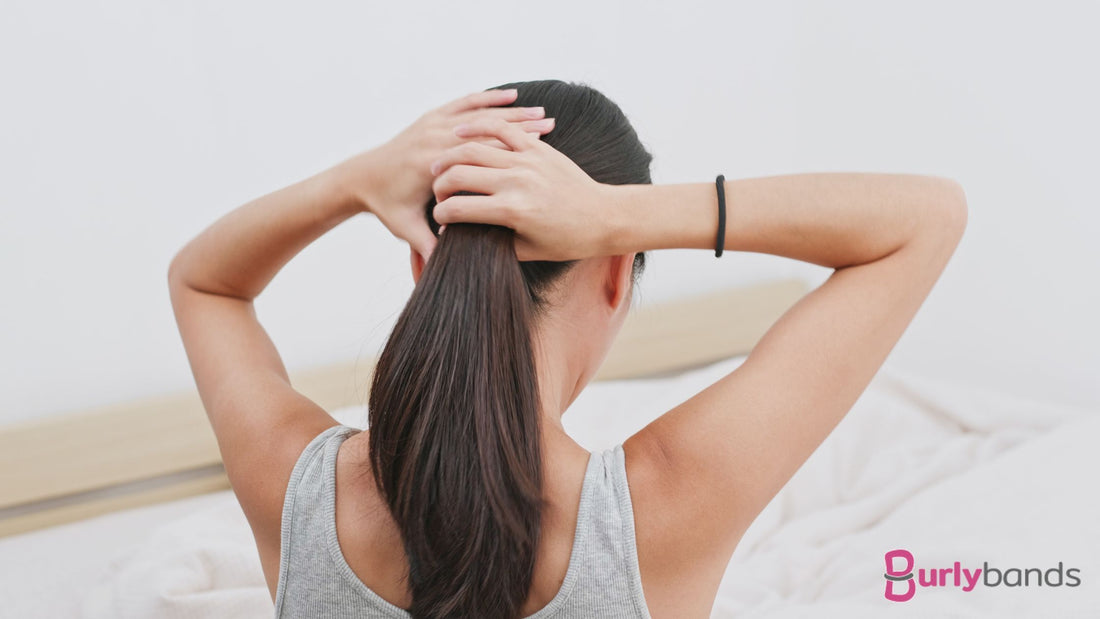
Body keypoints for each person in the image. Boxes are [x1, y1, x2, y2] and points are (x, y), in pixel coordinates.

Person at [168, 79, 967, 618]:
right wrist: (627, 214)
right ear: (618, 275)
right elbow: (926, 216)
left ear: (422, 262)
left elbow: (203, 282)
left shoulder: (298, 489)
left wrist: (356, 179)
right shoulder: (662, 508)